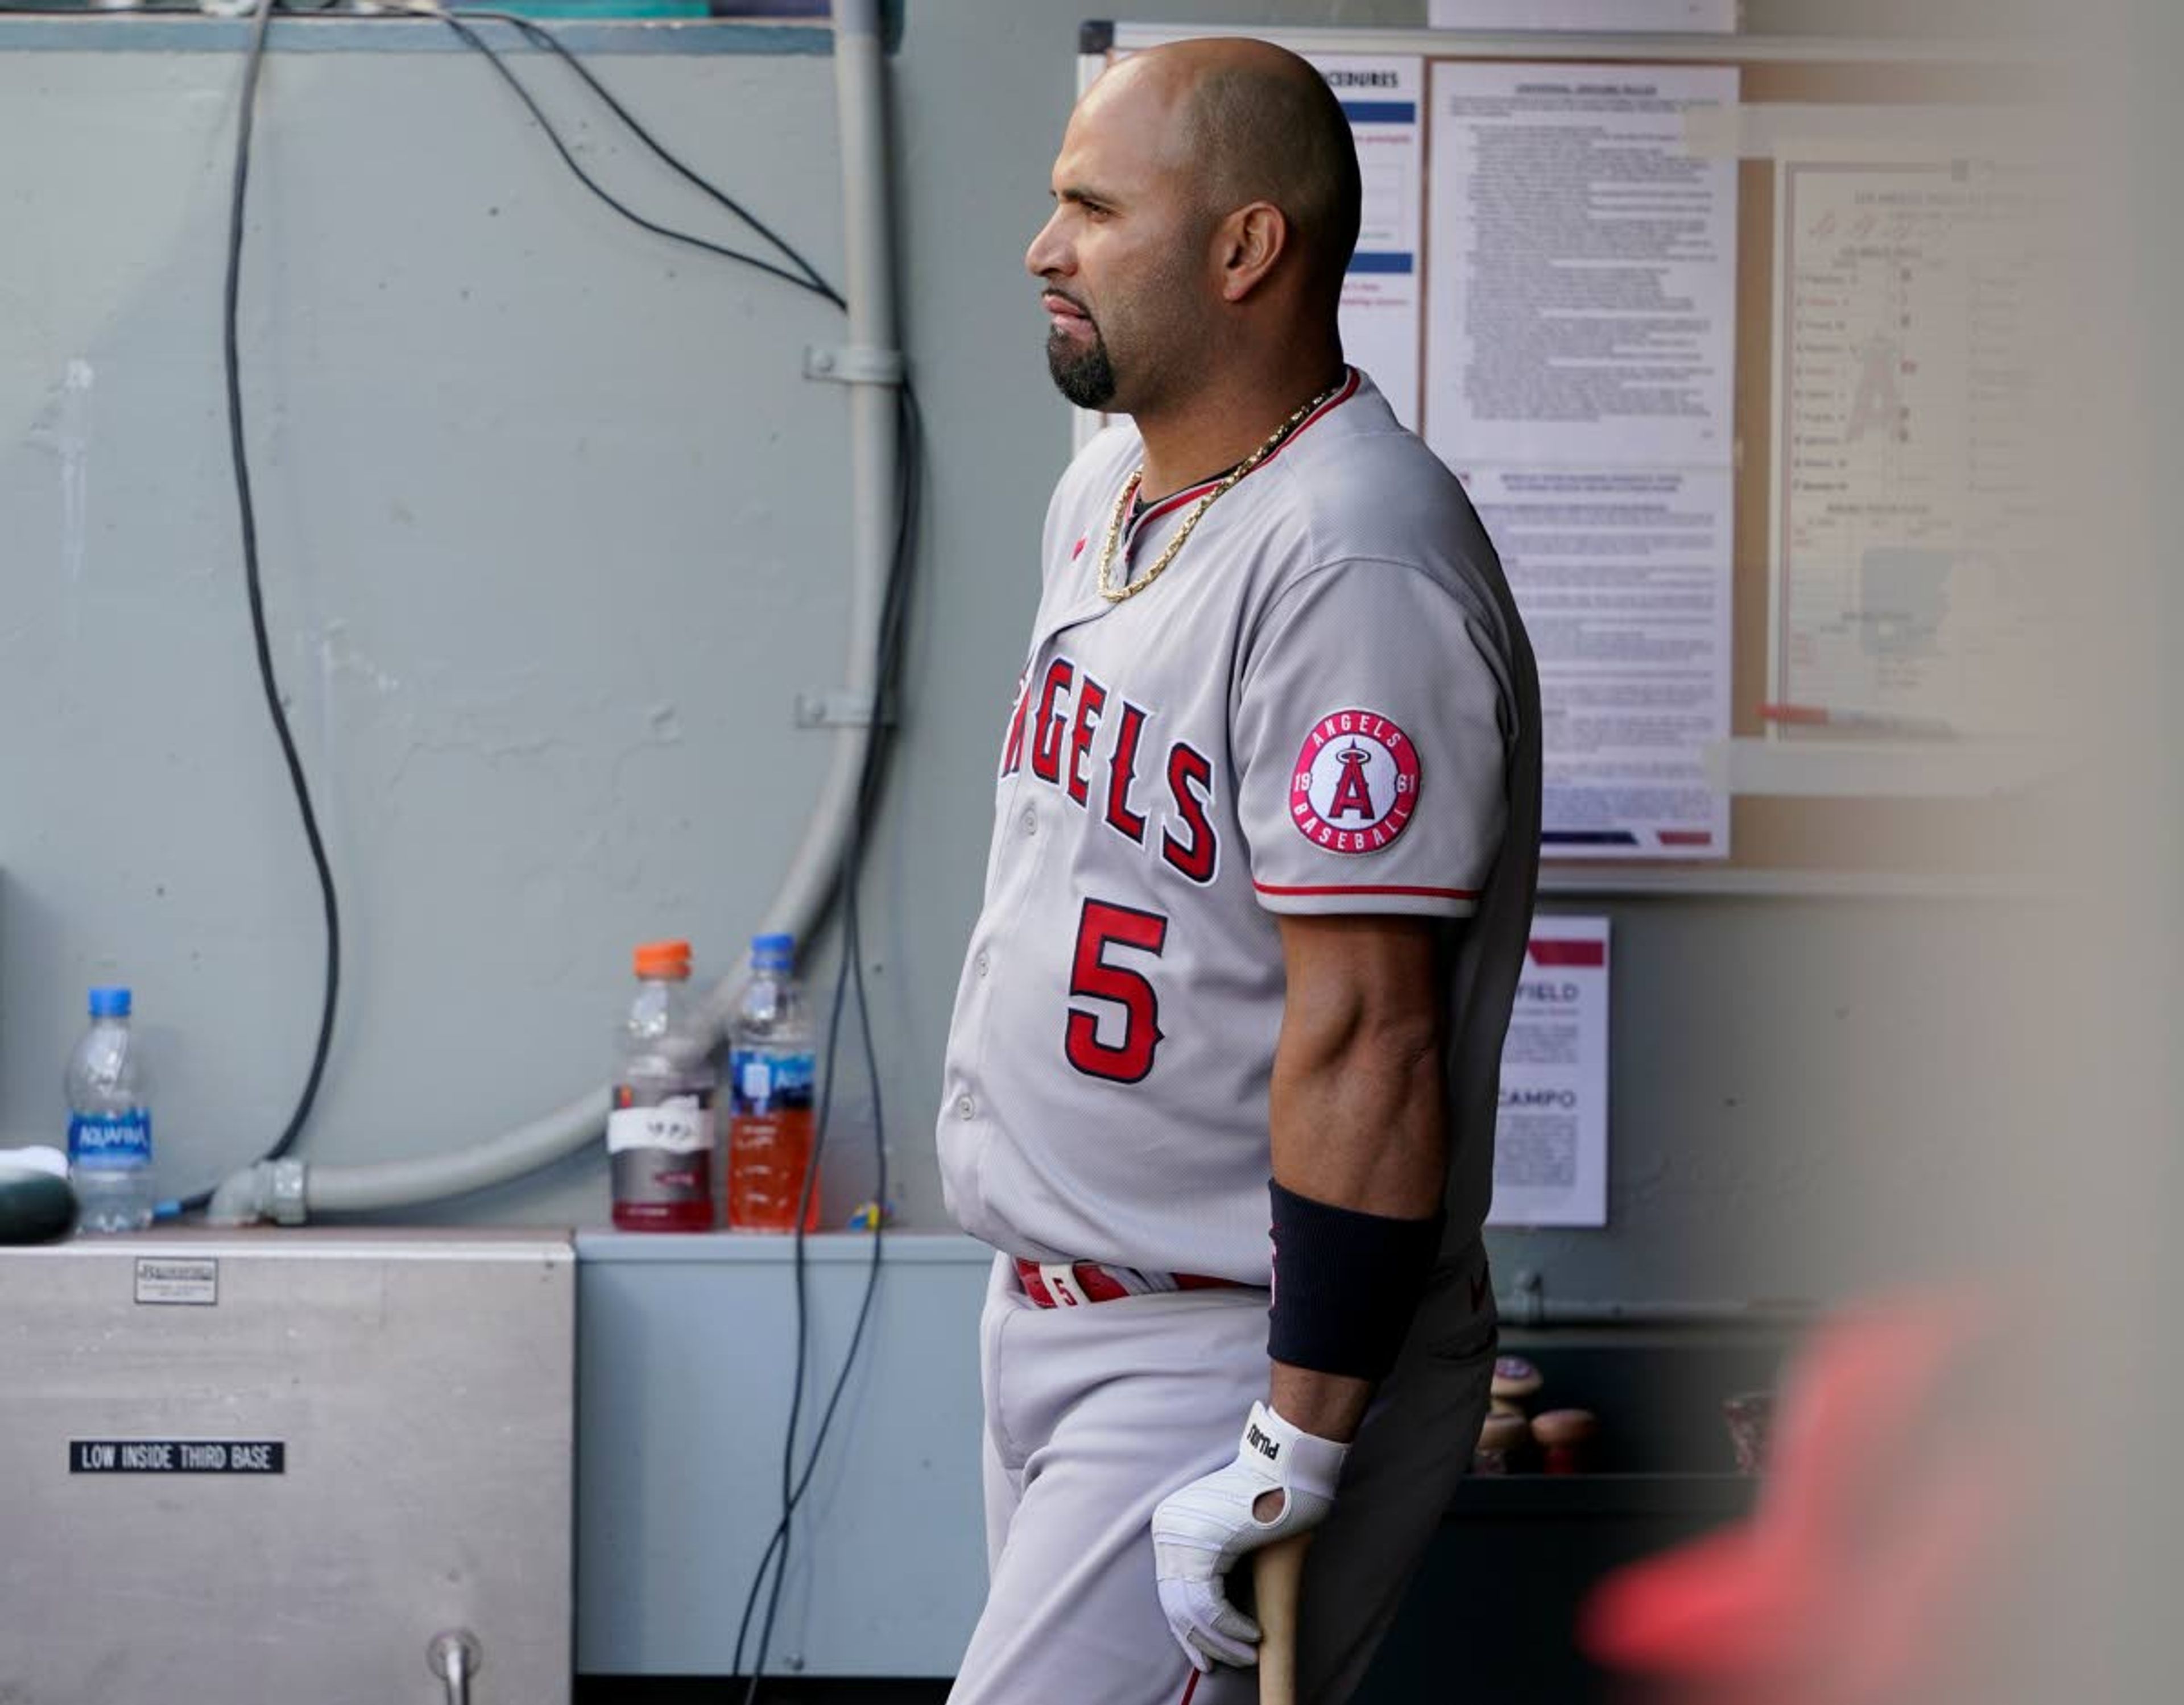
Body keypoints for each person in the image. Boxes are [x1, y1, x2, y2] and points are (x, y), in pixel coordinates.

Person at [937, 36, 1541, 1705]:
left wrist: (1298, 1438)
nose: (1044, 249)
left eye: (1091, 208)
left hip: (1226, 1345)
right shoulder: (1109, 494)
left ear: (1245, 249)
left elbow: (1373, 1035)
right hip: (1061, 1305)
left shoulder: (1357, 556)